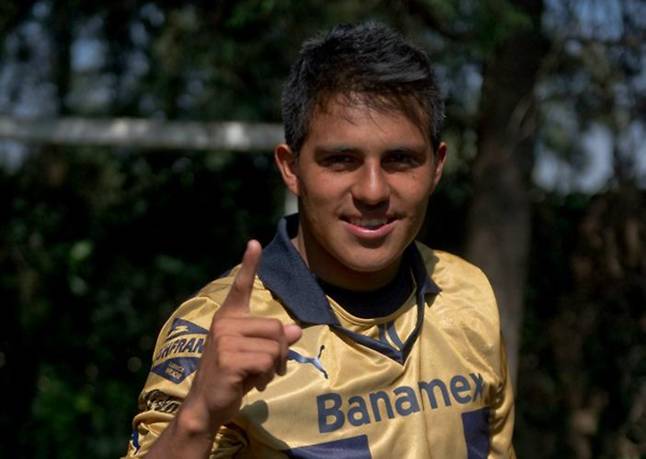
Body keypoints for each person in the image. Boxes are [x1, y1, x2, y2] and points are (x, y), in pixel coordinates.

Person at [124, 21, 515, 458]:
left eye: (401, 159)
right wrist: (198, 417)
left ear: (437, 167)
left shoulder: (468, 293)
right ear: (291, 168)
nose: (372, 191)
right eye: (341, 160)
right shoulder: (219, 331)